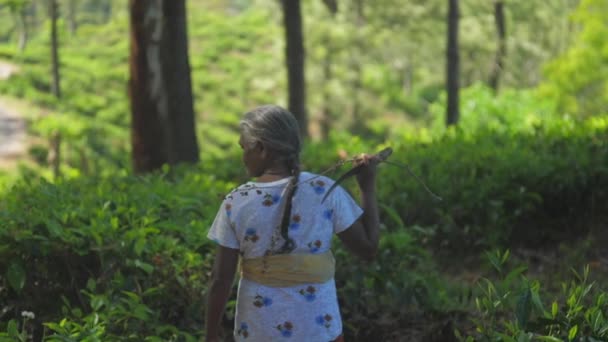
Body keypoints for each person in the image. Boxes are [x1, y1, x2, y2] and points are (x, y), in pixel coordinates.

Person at [205, 105, 380, 342]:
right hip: (319, 331)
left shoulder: (237, 201)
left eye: (244, 148)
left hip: (258, 331)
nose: (243, 156)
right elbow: (368, 248)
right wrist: (367, 186)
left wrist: (210, 335)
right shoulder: (324, 190)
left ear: (261, 149)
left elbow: (220, 279)